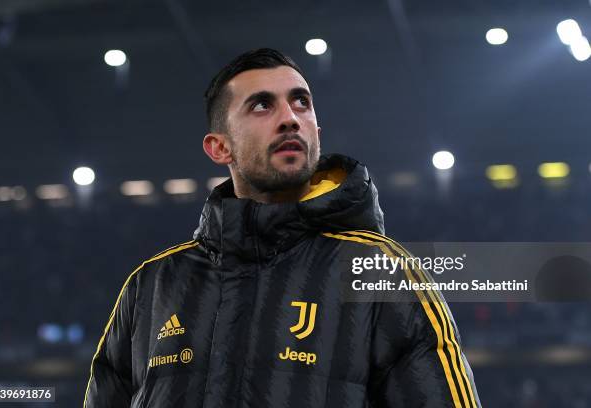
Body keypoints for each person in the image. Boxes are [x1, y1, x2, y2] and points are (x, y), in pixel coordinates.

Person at [83, 48, 481, 407]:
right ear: (219, 147)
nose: (290, 119)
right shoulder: (151, 286)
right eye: (261, 106)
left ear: (317, 135)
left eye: (301, 103)